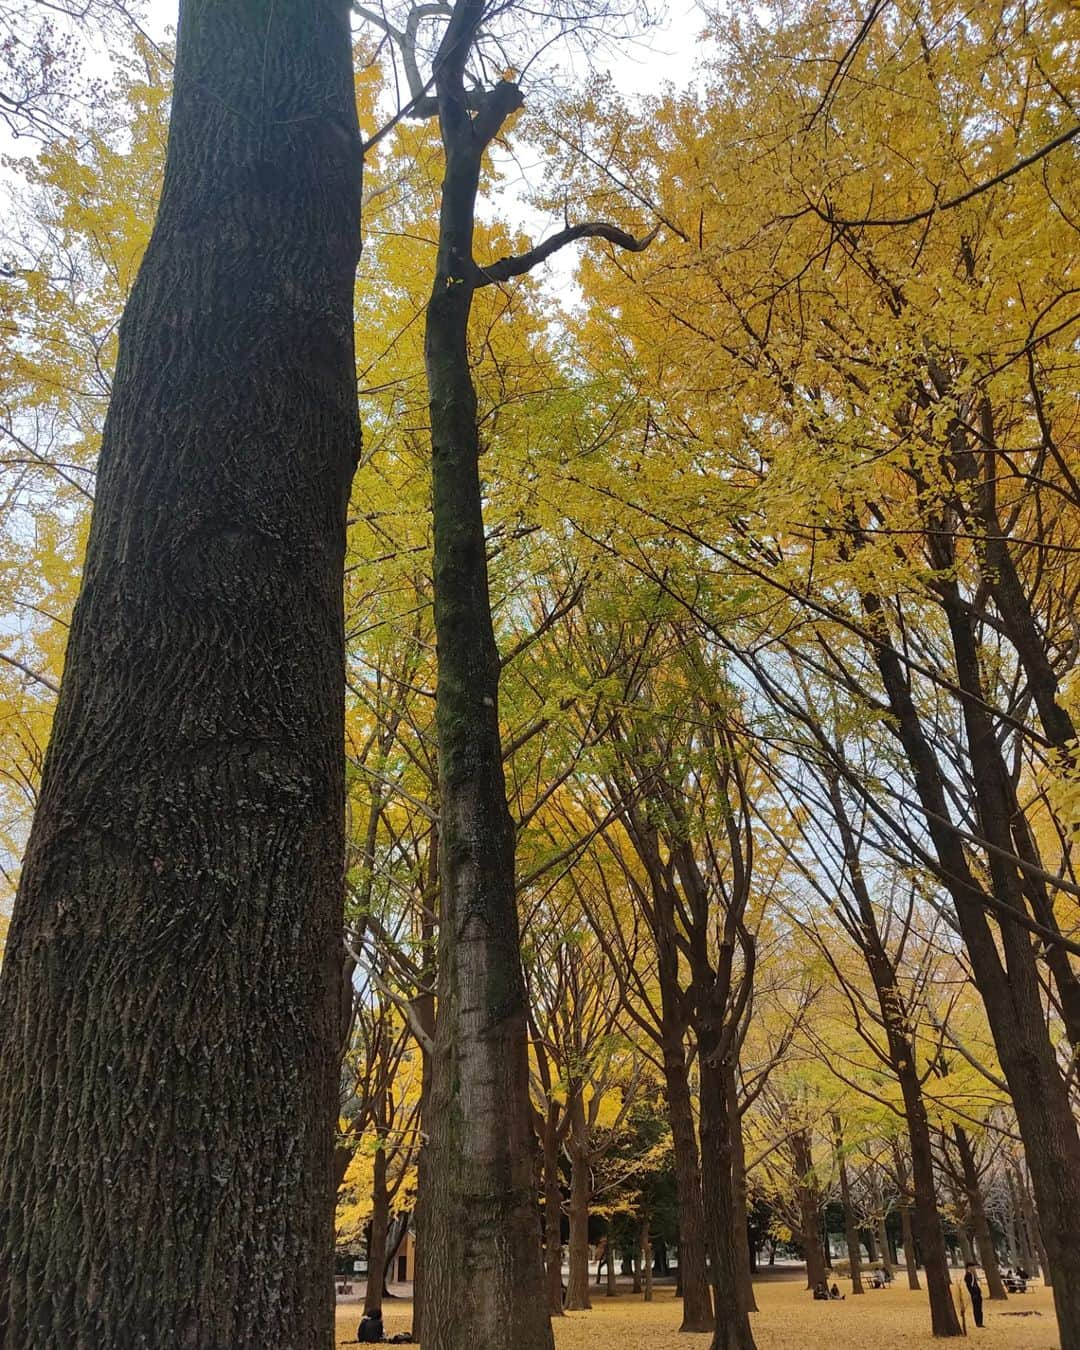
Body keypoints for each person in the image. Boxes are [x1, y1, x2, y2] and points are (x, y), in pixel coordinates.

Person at [964, 1262, 984, 1329]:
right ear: (969, 1267)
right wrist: (974, 1293)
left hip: (977, 1294)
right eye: (973, 1266)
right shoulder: (968, 1275)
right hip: (974, 1294)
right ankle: (978, 1323)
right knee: (976, 1308)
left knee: (979, 1309)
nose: (974, 1268)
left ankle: (980, 1322)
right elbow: (970, 1286)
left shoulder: (972, 1275)